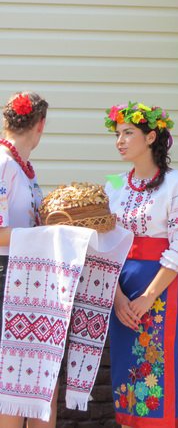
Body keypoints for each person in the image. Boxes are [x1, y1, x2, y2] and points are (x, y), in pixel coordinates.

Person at [104, 102, 178, 428]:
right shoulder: (113, 184)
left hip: (159, 288)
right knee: (124, 371)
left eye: (128, 133)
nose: (120, 141)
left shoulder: (175, 183)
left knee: (154, 370)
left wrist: (147, 298)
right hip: (120, 287)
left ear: (151, 136)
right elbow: (103, 245)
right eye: (117, 134)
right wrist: (118, 299)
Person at [0, 91, 58, 428]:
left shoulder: (23, 168)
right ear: (41, 125)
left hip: (27, 279)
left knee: (36, 377)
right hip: (6, 276)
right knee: (9, 379)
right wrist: (49, 236)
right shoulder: (4, 165)